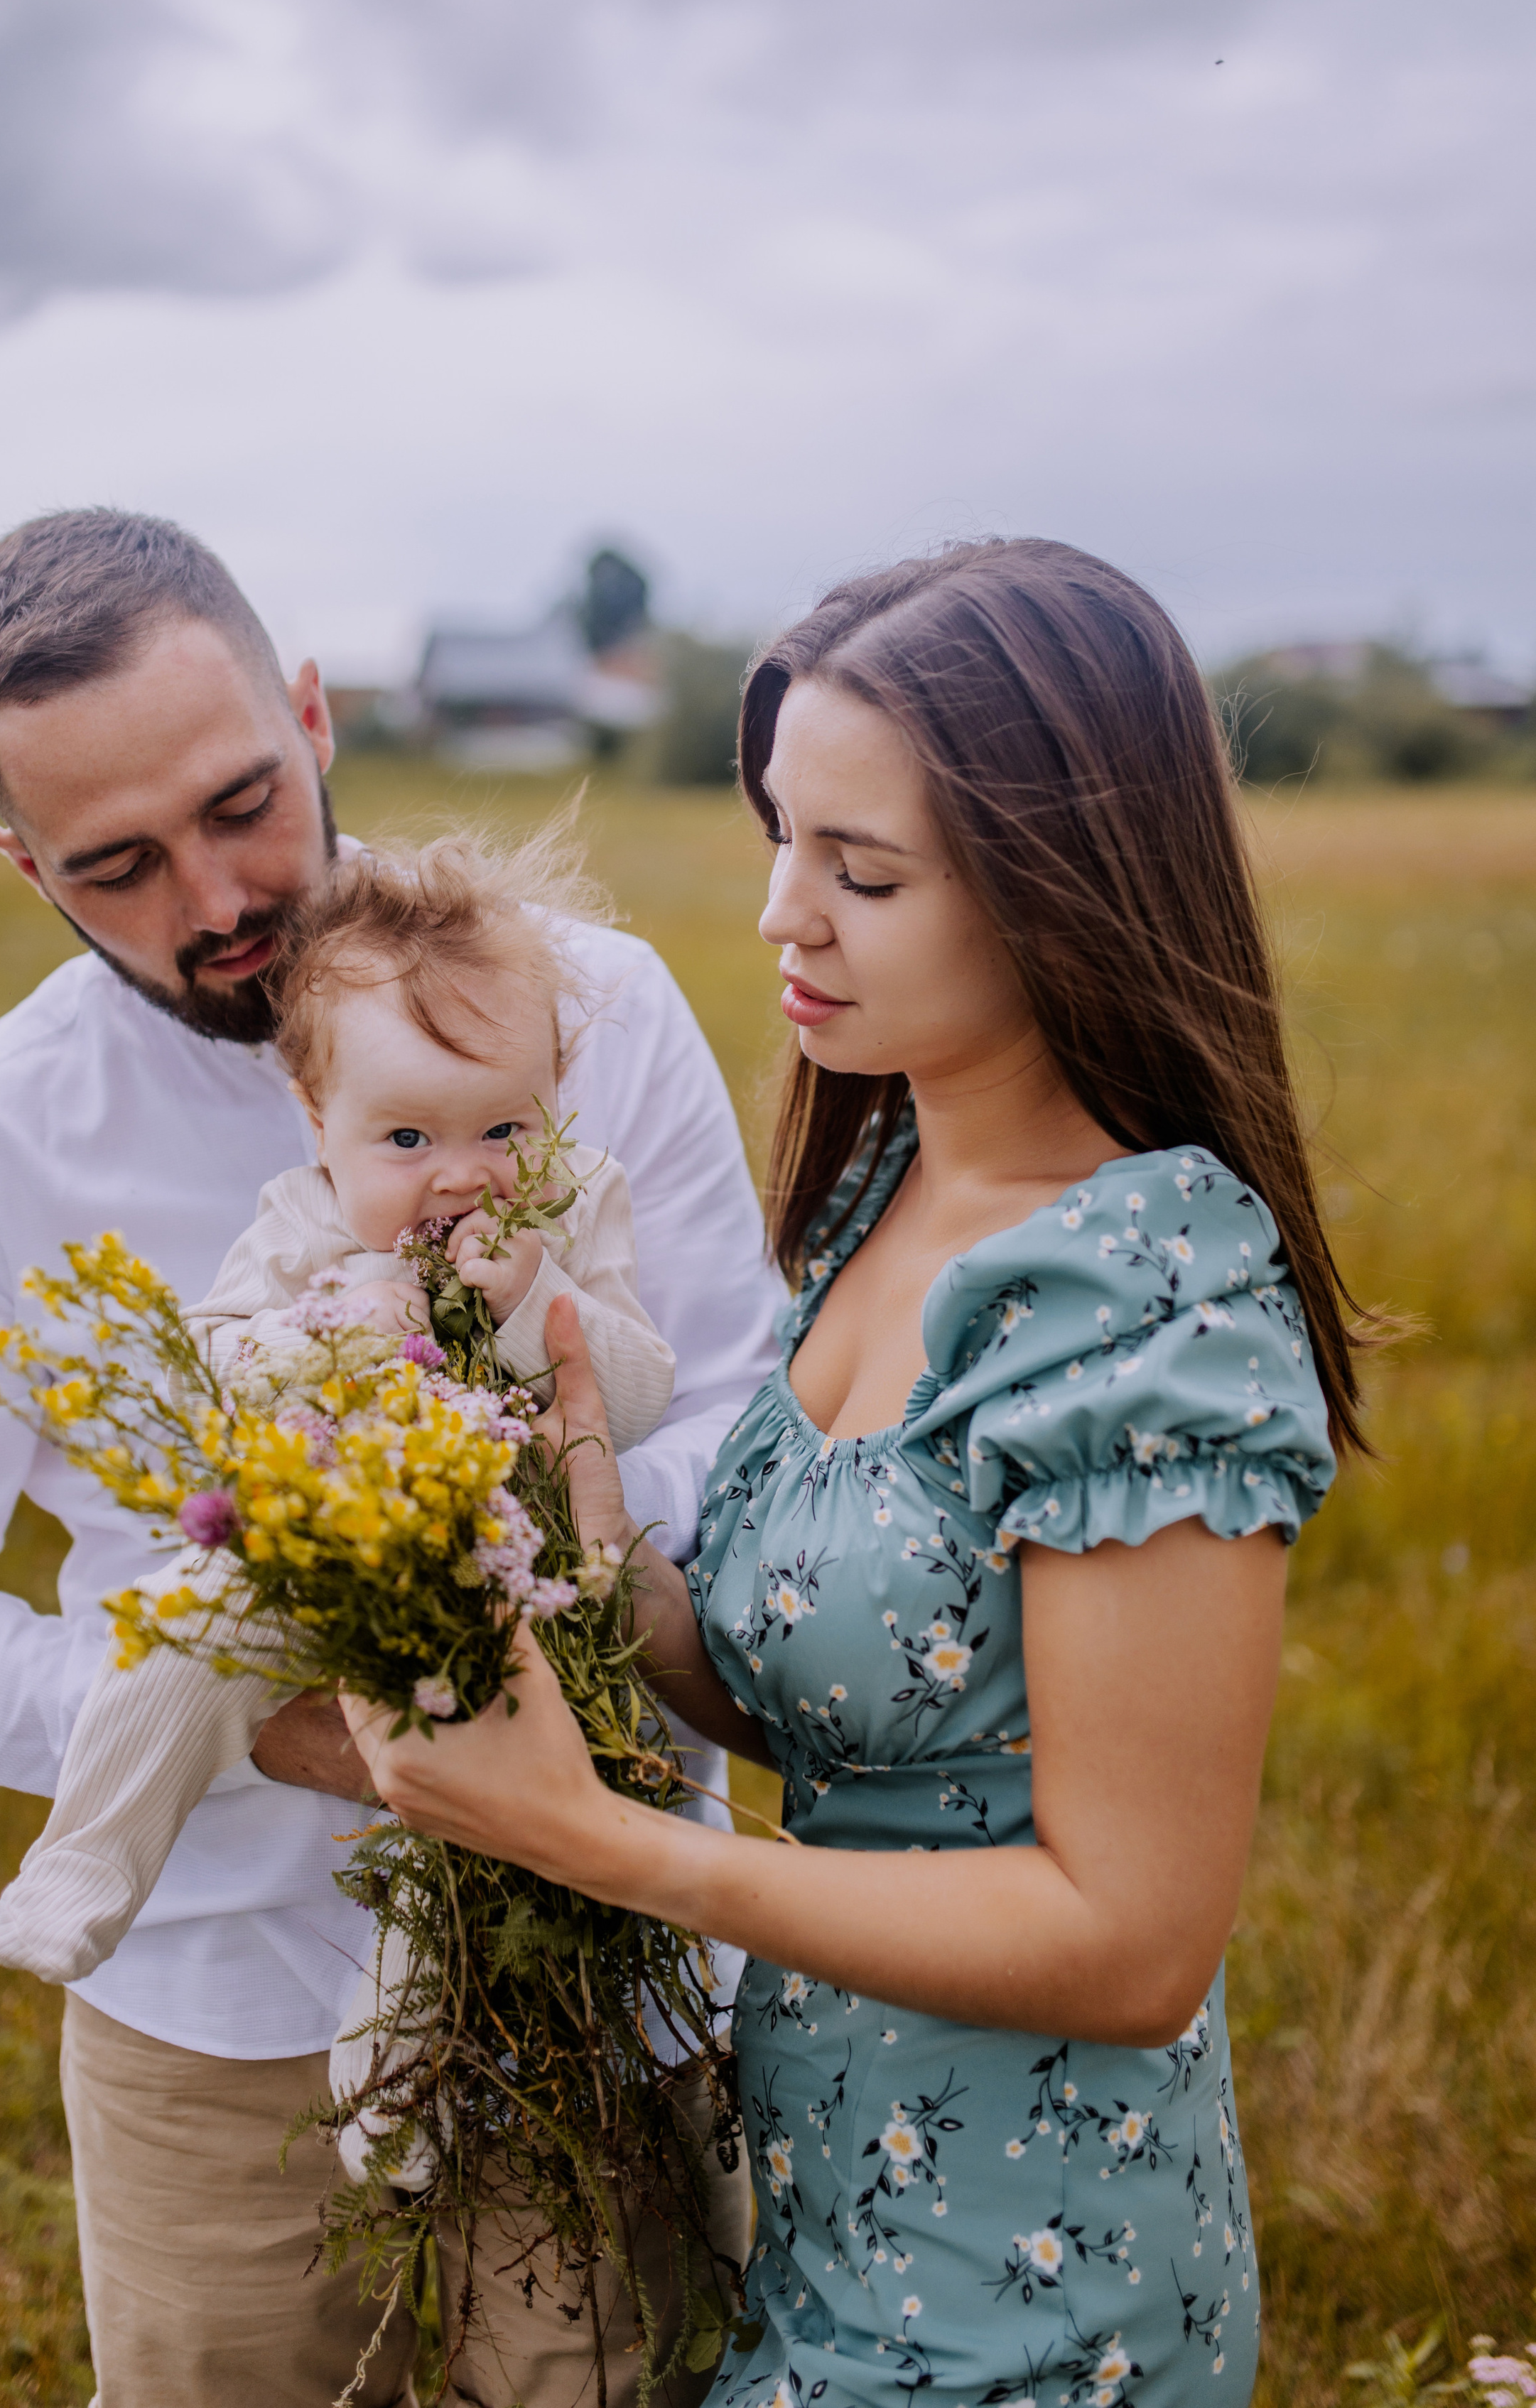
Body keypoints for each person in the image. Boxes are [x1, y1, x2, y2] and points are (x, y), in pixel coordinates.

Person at [0, 509, 784, 2408]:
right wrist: (273, 1710)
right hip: (212, 2041)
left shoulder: (600, 1006)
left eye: (244, 800)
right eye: (120, 865)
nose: (219, 893)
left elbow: (735, 1416)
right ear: (22, 865)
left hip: (617, 1976)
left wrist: (520, 1601)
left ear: (312, 714)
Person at [338, 539, 1361, 2408]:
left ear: (1065, 887)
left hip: (1032, 2278)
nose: (781, 919)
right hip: (819, 2215)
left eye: (862, 870)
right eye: (780, 838)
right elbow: (853, 1705)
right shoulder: (887, 1190)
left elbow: (1130, 1941)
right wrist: (559, 1540)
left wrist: (609, 1845)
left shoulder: (1152, 1304)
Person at [0, 824, 678, 1991]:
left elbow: (643, 1392)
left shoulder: (575, 1204)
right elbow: (202, 1376)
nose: (462, 1173)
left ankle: (403, 2074)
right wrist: (313, 1334)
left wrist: (539, 1298)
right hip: (326, 1544)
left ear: (556, 1093)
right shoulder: (304, 1219)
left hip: (511, 1566)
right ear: (321, 1122)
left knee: (460, 1841)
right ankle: (86, 1862)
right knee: (182, 1628)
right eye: (407, 1138)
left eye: (504, 1128)